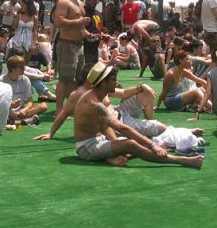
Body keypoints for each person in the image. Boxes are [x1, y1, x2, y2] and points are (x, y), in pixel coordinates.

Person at [72, 64, 203, 168]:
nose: (116, 82)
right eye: (112, 80)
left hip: (99, 140)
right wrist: (152, 145)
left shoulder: (97, 96)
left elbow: (104, 126)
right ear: (103, 83)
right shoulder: (94, 104)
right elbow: (121, 128)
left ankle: (112, 156)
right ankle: (181, 160)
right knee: (131, 143)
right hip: (87, 148)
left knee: (136, 143)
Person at [53, 0, 91, 114]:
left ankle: (70, 106)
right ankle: (59, 110)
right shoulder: (64, 1)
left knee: (78, 78)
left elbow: (81, 27)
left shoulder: (80, 3)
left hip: (79, 45)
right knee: (64, 79)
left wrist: (88, 34)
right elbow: (58, 22)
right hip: (67, 44)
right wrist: (79, 22)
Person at [0, 55, 47, 125]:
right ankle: (22, 121)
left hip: (21, 110)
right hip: (7, 110)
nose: (24, 68)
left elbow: (30, 100)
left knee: (43, 106)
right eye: (21, 67)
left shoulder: (25, 79)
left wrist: (25, 109)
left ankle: (16, 121)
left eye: (24, 66)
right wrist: (11, 105)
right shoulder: (1, 80)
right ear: (12, 68)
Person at [7, 0, 40, 64]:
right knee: (15, 60)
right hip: (18, 38)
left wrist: (34, 43)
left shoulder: (34, 18)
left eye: (23, 5)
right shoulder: (19, 15)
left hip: (28, 40)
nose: (21, 7)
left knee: (26, 61)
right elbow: (14, 26)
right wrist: (16, 16)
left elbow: (35, 31)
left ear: (28, 6)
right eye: (21, 5)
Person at [83, 0, 103, 67]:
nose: (92, 0)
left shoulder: (99, 14)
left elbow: (100, 28)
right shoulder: (82, 12)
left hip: (95, 49)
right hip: (84, 49)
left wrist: (103, 35)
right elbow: (79, 28)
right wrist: (89, 35)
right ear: (86, 0)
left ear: (97, 0)